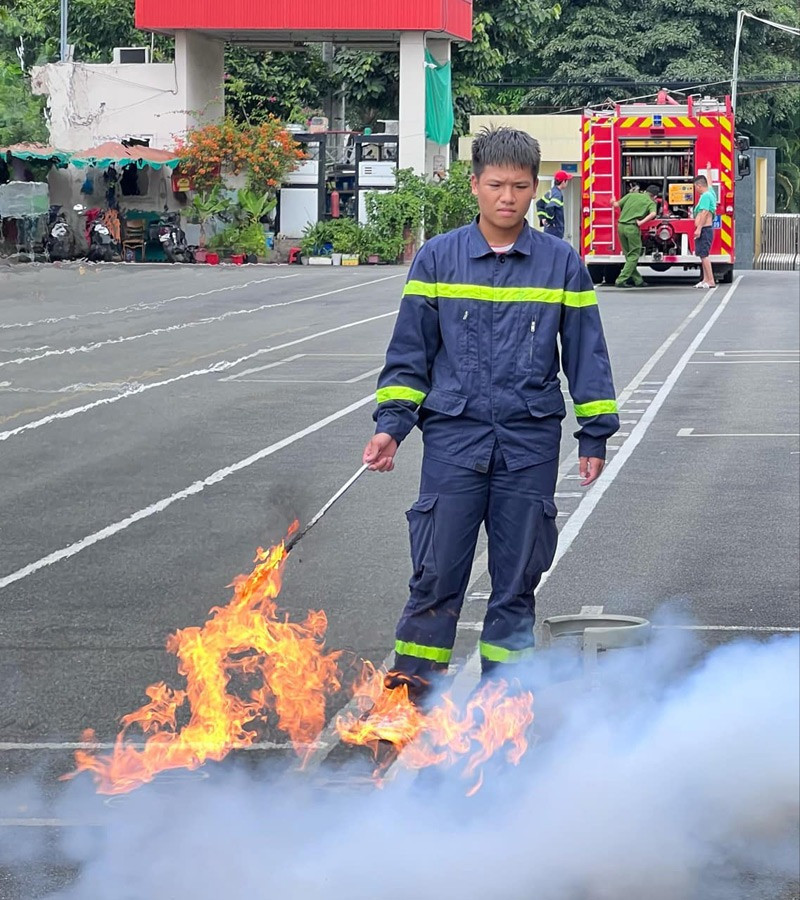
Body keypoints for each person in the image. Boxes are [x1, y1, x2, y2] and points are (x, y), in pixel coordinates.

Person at [362, 126, 620, 702]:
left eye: (520, 186)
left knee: (516, 585)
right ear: (474, 184)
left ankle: (501, 713)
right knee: (435, 579)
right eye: (497, 185)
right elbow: (409, 355)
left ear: (536, 189)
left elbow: (586, 353)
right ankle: (408, 707)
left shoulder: (561, 263)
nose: (508, 197)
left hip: (528, 446)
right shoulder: (437, 258)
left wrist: (595, 435)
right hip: (454, 441)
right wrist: (390, 428)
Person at [610, 184, 659, 288]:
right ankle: (621, 280)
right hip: (632, 228)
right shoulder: (651, 202)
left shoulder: (631, 195)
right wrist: (641, 222)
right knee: (634, 255)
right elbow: (653, 214)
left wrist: (613, 200)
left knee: (628, 255)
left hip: (621, 226)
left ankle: (638, 280)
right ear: (655, 196)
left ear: (645, 191)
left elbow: (616, 204)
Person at [693, 168, 717, 288]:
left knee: (704, 256)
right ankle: (705, 280)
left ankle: (710, 280)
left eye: (695, 187)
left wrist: (698, 229)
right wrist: (708, 170)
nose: (695, 190)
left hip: (704, 229)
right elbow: (710, 183)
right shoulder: (711, 192)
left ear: (699, 186)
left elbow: (704, 212)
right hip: (705, 229)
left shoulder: (705, 196)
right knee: (702, 255)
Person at [536, 170, 572, 239]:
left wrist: (543, 218)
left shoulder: (551, 192)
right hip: (555, 230)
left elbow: (539, 204)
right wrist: (549, 220)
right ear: (563, 181)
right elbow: (550, 207)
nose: (567, 182)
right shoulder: (557, 195)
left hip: (549, 230)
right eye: (567, 180)